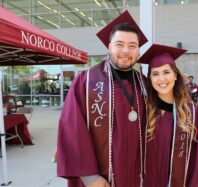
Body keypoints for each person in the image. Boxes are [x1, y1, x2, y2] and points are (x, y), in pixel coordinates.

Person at [57, 11, 148, 187]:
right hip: (100, 178)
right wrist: (89, 177)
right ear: (109, 47)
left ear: (138, 50)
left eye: (132, 45)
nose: (126, 51)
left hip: (138, 176)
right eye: (119, 44)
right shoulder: (86, 81)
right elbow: (71, 128)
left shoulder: (143, 84)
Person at [140, 44, 198, 187]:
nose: (161, 79)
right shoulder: (143, 110)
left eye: (166, 72)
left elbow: (197, 158)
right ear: (150, 78)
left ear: (175, 75)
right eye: (155, 74)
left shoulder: (189, 113)